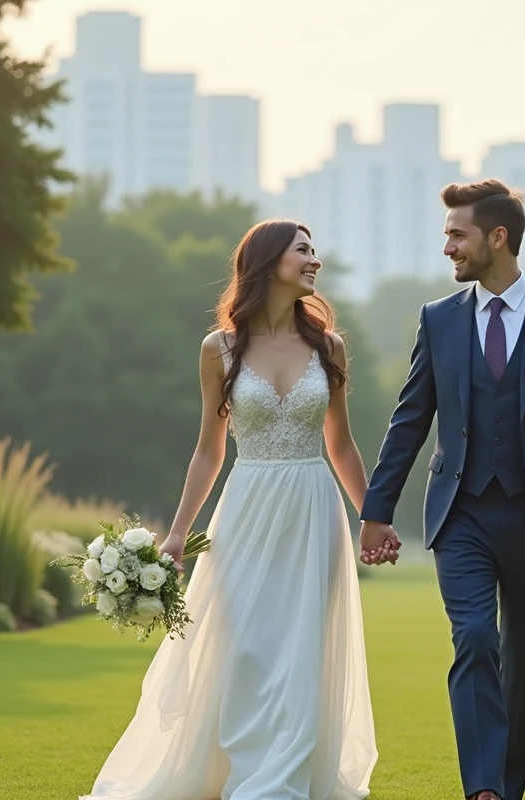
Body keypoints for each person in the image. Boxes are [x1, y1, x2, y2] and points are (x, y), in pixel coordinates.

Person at [80, 219, 394, 800]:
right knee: (244, 645)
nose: (315, 261)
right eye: (303, 251)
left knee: (301, 647)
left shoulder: (329, 348)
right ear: (269, 261)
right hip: (247, 508)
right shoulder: (218, 350)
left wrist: (372, 516)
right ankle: (238, 771)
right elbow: (209, 449)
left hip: (312, 509)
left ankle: (279, 782)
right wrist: (178, 534)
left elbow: (341, 444)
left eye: (315, 251)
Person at [358, 179, 525, 800]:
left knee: (523, 657)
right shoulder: (438, 320)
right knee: (475, 637)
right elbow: (410, 419)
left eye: (458, 234)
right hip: (461, 513)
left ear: (497, 237)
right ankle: (483, 789)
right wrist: (377, 509)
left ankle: (507, 787)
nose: (447, 247)